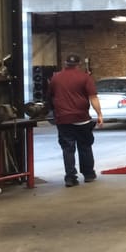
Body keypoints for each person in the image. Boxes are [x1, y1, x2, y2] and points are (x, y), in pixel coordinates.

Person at [47, 53, 103, 187]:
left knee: (68, 149)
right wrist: (99, 114)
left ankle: (70, 177)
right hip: (81, 118)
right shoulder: (85, 77)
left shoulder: (56, 78)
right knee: (85, 146)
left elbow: (50, 97)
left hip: (63, 119)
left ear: (65, 63)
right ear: (78, 64)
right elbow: (93, 97)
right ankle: (88, 174)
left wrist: (55, 112)